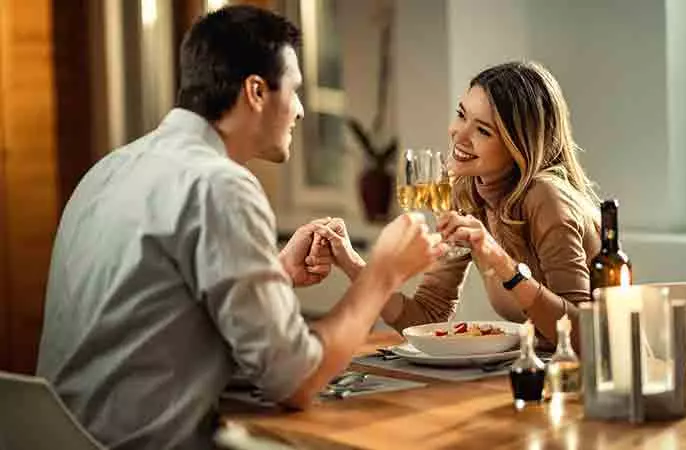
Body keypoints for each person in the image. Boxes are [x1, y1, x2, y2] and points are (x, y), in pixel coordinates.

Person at [36, 6, 443, 450]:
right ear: (256, 91)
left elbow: (147, 309)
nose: (303, 110)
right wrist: (382, 273)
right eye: (295, 90)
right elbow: (296, 380)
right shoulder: (220, 185)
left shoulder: (110, 169)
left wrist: (274, 274)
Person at [324, 61, 600, 350]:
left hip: (601, 378)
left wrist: (501, 262)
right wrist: (354, 265)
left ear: (519, 144)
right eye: (461, 115)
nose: (459, 134)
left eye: (482, 130)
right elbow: (427, 316)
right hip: (537, 371)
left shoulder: (546, 196)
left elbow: (581, 337)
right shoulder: (466, 194)